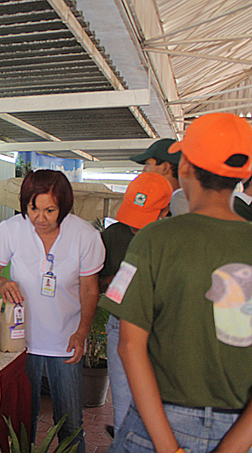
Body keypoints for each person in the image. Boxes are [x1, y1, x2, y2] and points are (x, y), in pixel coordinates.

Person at [100, 112, 252, 453]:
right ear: (243, 173)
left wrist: (169, 448)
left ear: (184, 167)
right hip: (242, 430)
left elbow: (129, 345)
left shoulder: (155, 239)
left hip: (158, 427)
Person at [0, 170, 105, 453]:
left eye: (50, 210)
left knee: (71, 422)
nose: (40, 217)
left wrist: (82, 332)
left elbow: (90, 290)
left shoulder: (85, 236)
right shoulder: (11, 229)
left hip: (65, 341)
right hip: (20, 341)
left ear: (64, 207)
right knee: (24, 420)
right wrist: (2, 281)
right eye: (33, 208)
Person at [98, 172, 173, 435]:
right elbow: (95, 283)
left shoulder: (177, 237)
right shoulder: (114, 235)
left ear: (166, 211)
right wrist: (116, 279)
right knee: (124, 408)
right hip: (122, 322)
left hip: (165, 328)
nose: (136, 228)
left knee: (161, 410)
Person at [130, 138, 188, 216]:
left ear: (165, 167)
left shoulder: (180, 203)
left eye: (148, 164)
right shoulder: (189, 199)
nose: (143, 171)